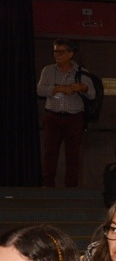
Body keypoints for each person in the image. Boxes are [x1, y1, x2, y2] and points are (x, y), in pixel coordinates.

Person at [37, 38, 96, 187]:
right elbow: (40, 90)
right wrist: (59, 88)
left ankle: (70, 188)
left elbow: (93, 94)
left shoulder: (81, 72)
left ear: (71, 54)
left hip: (74, 118)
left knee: (72, 156)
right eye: (55, 51)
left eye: (61, 52)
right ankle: (47, 186)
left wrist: (83, 88)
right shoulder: (48, 70)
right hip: (52, 117)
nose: (57, 55)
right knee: (50, 153)